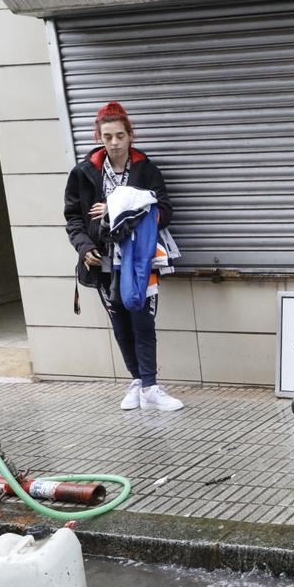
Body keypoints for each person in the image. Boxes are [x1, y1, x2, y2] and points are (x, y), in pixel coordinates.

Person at [64, 102, 184, 412]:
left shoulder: (145, 168)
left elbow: (164, 212)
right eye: (107, 137)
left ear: (130, 135)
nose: (114, 143)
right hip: (101, 261)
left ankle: (151, 386)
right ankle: (137, 381)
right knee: (120, 324)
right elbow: (74, 217)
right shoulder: (84, 171)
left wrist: (118, 209)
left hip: (139, 260)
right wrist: (83, 247)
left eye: (120, 136)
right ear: (99, 137)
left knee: (142, 321)